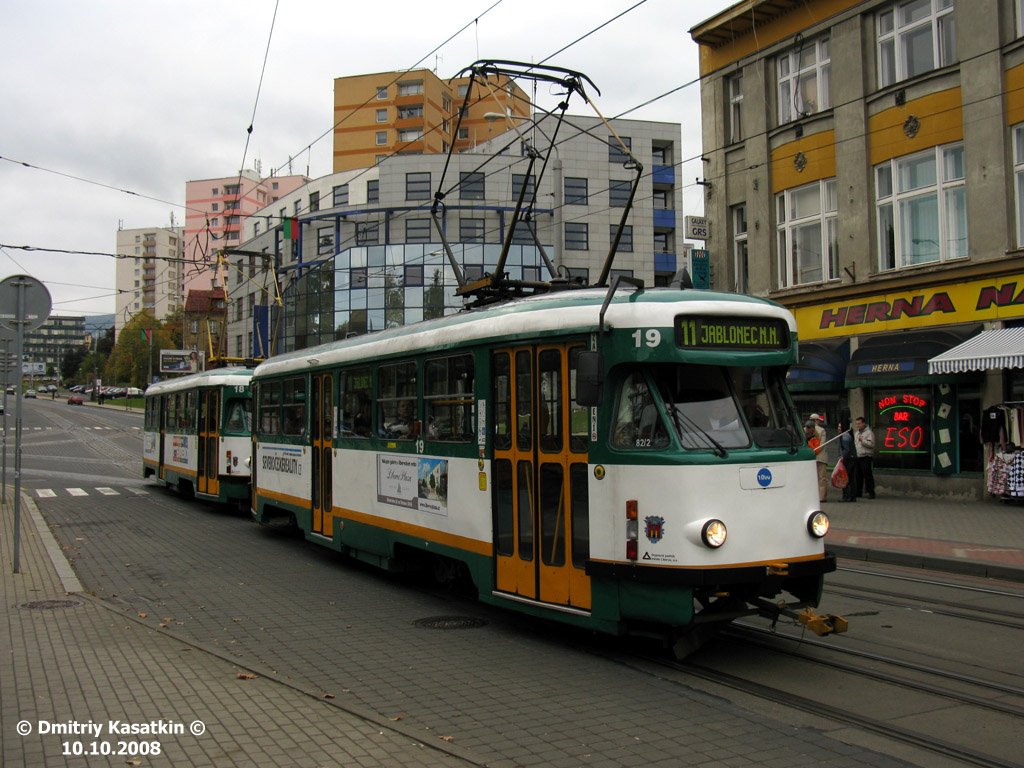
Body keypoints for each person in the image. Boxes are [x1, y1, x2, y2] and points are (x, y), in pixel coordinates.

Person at [804, 420, 827, 503]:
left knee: (820, 478)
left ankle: (820, 496)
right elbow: (822, 444)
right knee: (821, 478)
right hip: (816, 457)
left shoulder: (820, 431)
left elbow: (821, 445)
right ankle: (820, 497)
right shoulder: (822, 430)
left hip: (817, 457)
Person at [853, 416, 876, 499]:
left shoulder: (869, 433)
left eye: (859, 424)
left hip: (866, 456)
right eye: (856, 424)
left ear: (863, 423)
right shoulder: (856, 433)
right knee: (858, 475)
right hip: (858, 456)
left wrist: (862, 441)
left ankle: (871, 492)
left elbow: (872, 444)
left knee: (867, 475)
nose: (858, 425)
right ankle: (858, 492)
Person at [837, 419, 858, 502]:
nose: (838, 428)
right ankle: (852, 496)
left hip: (847, 460)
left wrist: (841, 458)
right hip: (852, 458)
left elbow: (846, 450)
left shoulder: (844, 437)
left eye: (840, 427)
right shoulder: (848, 435)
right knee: (852, 478)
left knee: (845, 478)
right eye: (838, 426)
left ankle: (847, 496)